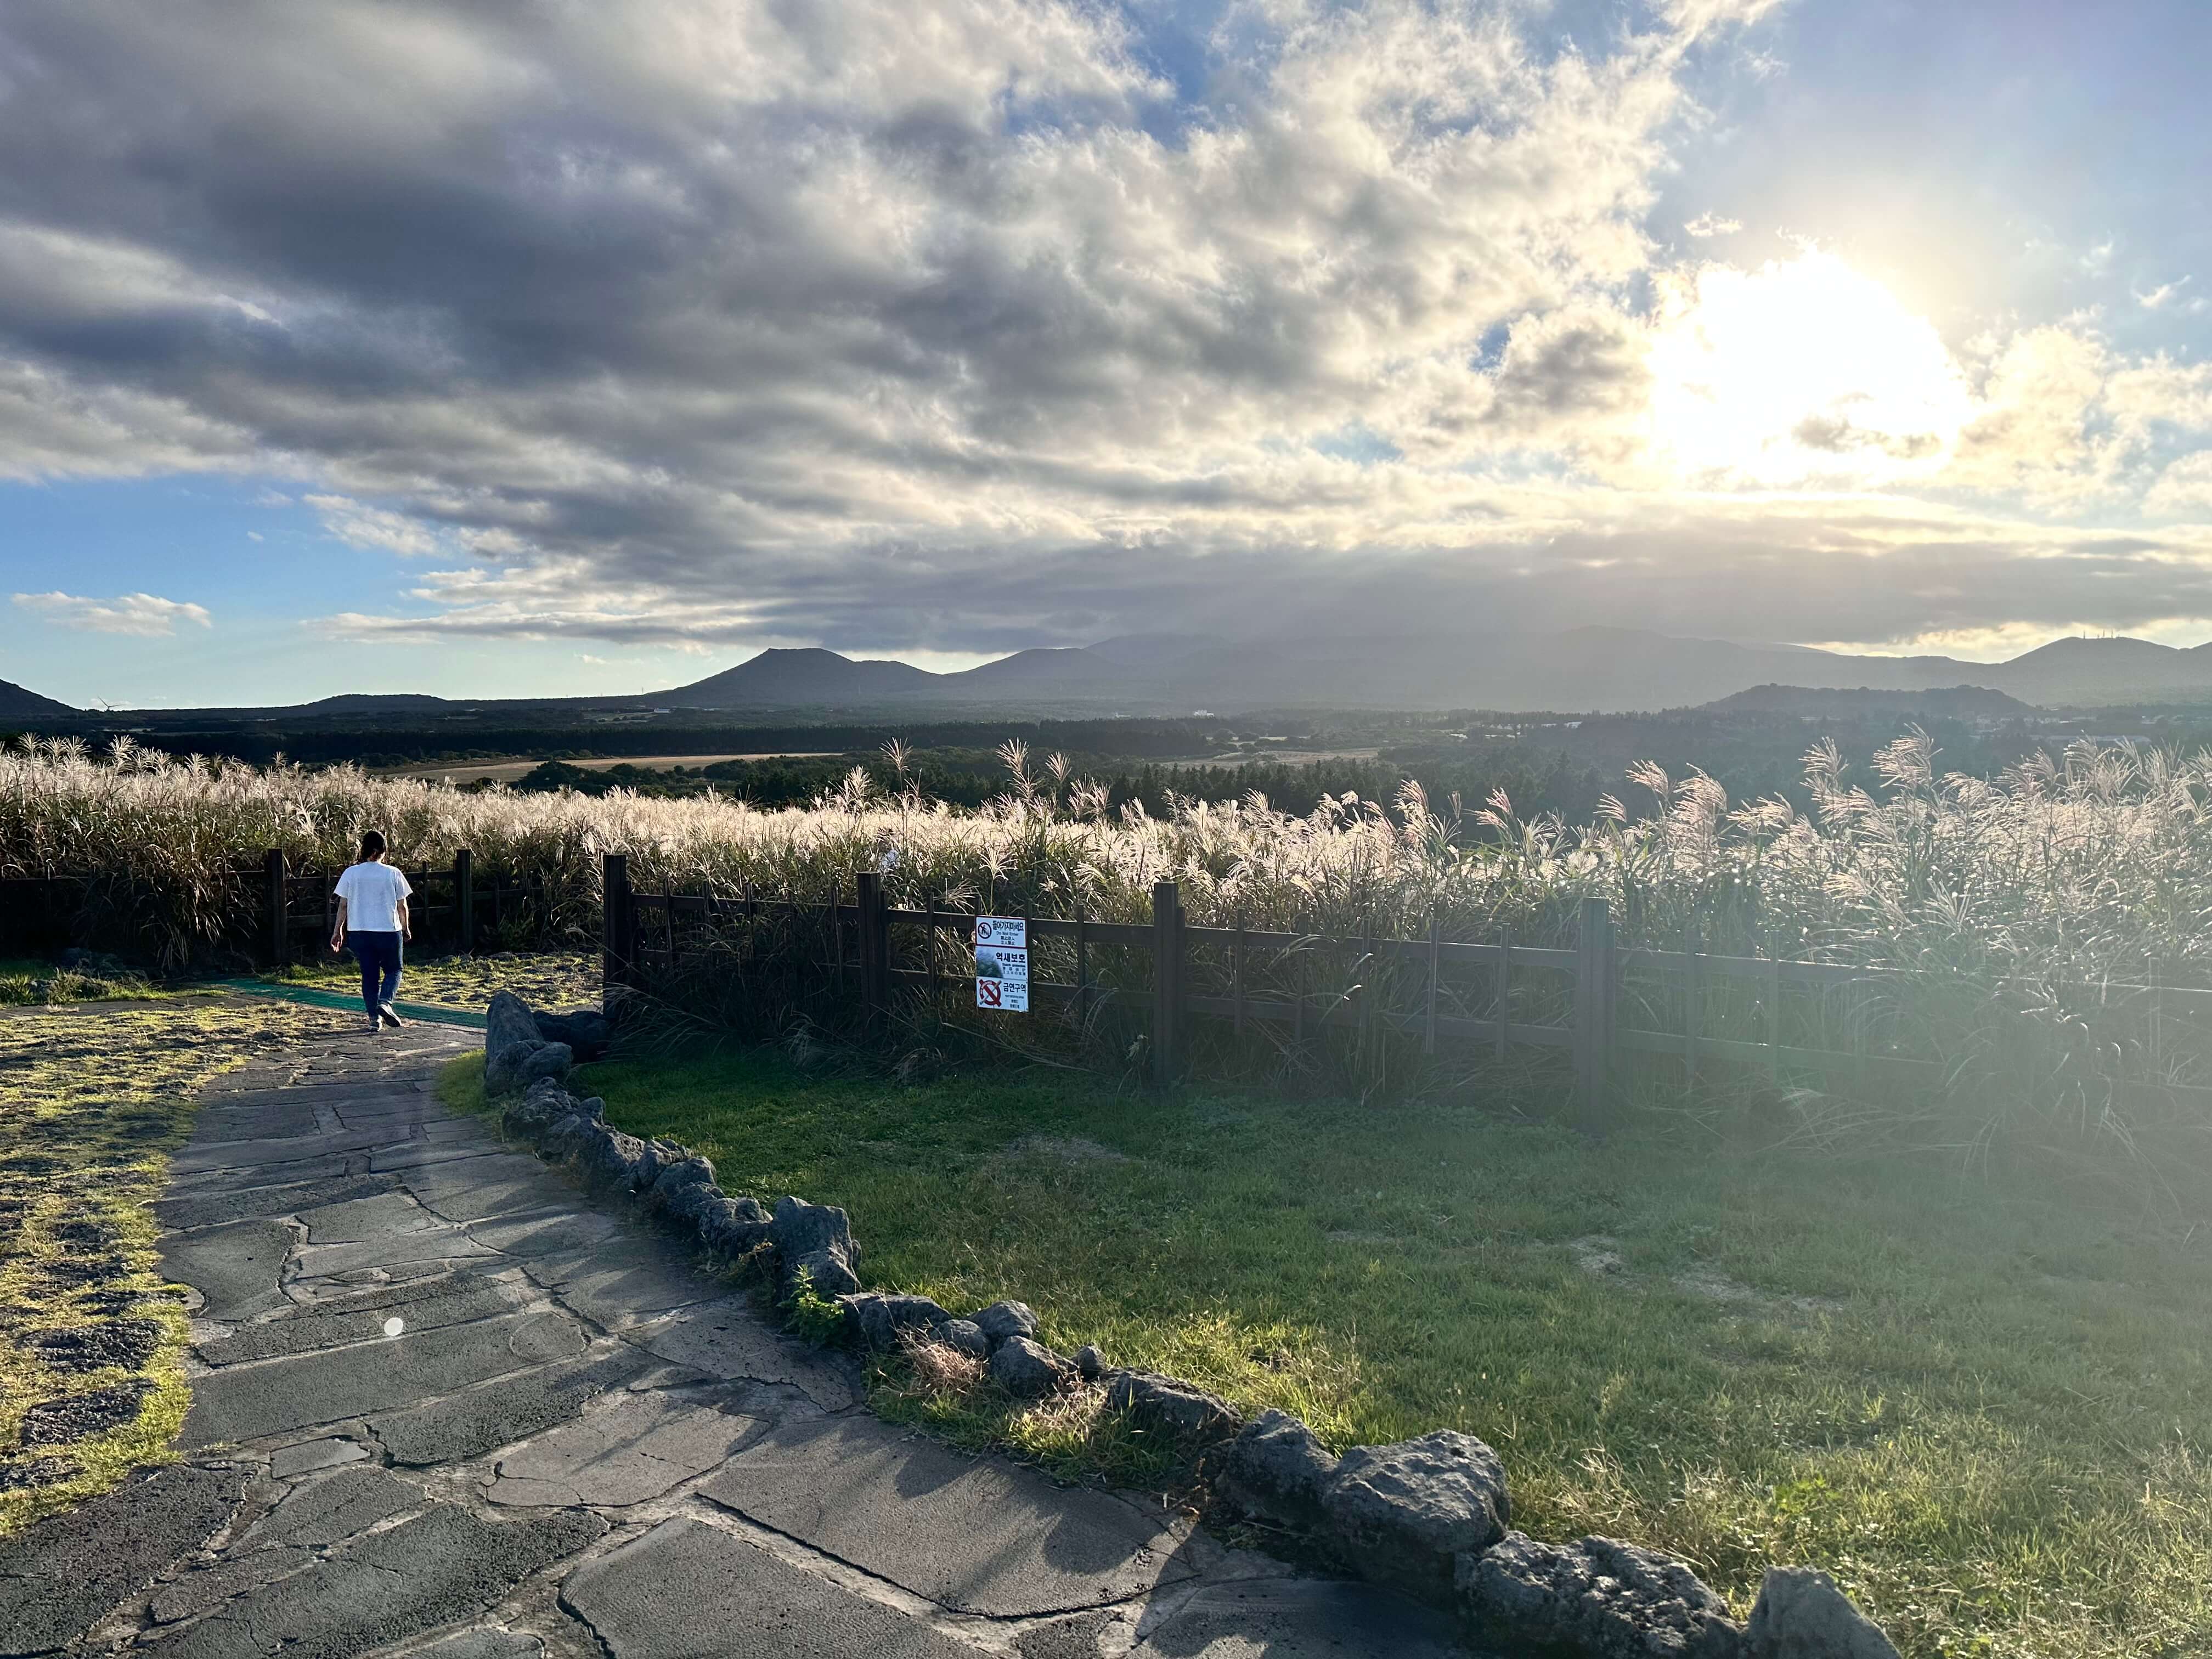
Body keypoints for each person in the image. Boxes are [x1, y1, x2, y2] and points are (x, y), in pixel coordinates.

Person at [330, 831, 412, 1032]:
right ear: (382, 851)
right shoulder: (393, 873)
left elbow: (343, 905)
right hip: (388, 930)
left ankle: (374, 1019)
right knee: (394, 970)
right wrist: (406, 928)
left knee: (369, 975)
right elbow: (402, 906)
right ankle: (385, 1002)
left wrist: (337, 931)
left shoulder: (351, 873)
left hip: (359, 931)